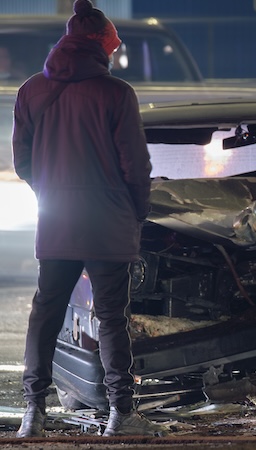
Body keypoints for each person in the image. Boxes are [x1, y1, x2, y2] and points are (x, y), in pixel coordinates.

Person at [12, 0, 163, 438]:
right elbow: (136, 165)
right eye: (111, 49)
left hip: (57, 220)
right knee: (112, 317)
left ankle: (33, 415)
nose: (113, 56)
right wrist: (137, 212)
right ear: (100, 46)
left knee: (46, 311)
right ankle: (121, 414)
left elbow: (23, 161)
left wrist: (53, 191)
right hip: (109, 222)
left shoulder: (31, 92)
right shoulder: (117, 94)